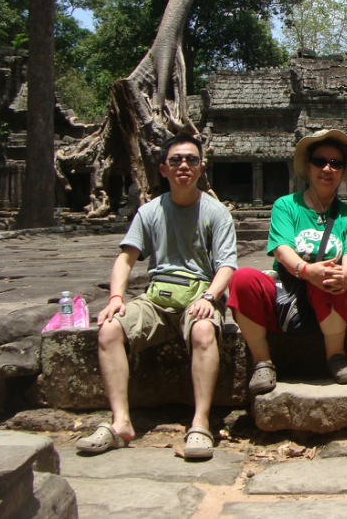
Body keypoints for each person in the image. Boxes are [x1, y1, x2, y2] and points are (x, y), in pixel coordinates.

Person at [76, 134, 237, 460]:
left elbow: (227, 266)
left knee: (204, 330)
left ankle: (200, 423)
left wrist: (210, 297)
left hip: (199, 295)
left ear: (201, 167)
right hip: (156, 298)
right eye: (176, 160)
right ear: (163, 169)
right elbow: (125, 259)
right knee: (109, 330)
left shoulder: (217, 213)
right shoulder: (149, 212)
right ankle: (121, 422)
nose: (184, 165)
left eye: (191, 159)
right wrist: (116, 297)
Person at [228, 129, 347, 387]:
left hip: (328, 297)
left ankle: (336, 355)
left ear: (343, 170)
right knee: (241, 278)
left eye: (335, 163)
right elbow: (282, 249)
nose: (327, 168)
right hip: (287, 292)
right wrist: (305, 270)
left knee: (333, 276)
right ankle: (262, 361)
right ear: (308, 166)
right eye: (319, 161)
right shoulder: (286, 205)